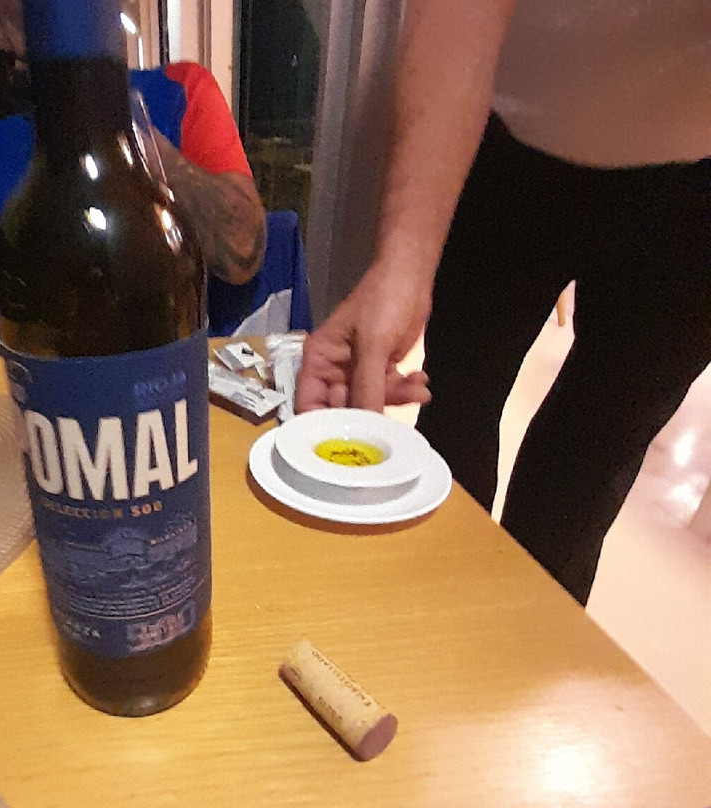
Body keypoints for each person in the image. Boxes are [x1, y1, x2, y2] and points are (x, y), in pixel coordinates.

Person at [296, 0, 711, 605]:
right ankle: (430, 610)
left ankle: (522, 638)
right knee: (454, 406)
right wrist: (402, 264)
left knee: (586, 468)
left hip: (696, 197)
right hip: (503, 141)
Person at [0, 0, 266, 359]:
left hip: (179, 368)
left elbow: (242, 254)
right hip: (55, 378)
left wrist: (126, 137)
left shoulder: (180, 92)